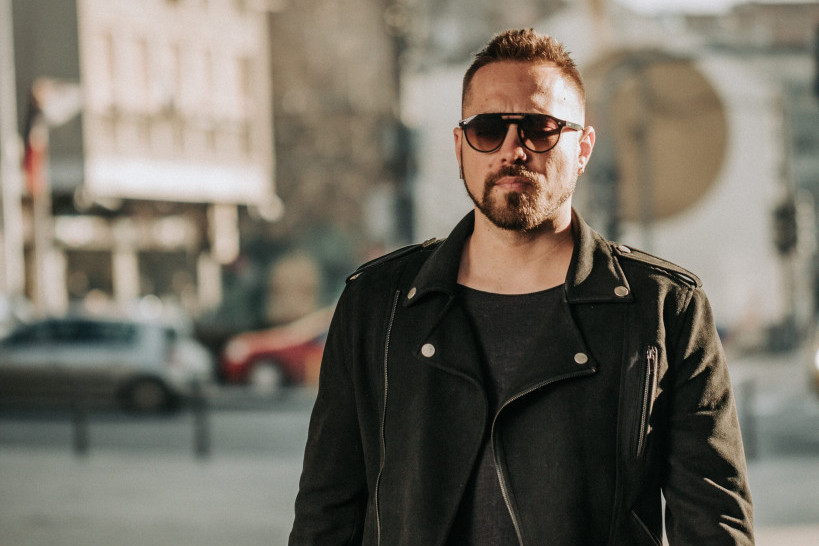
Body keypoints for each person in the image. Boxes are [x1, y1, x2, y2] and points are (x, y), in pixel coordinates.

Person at [289, 28, 754, 545]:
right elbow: (326, 514)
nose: (513, 149)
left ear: (583, 148)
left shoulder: (664, 307)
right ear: (460, 147)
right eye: (488, 129)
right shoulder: (379, 303)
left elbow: (714, 522)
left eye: (540, 128)